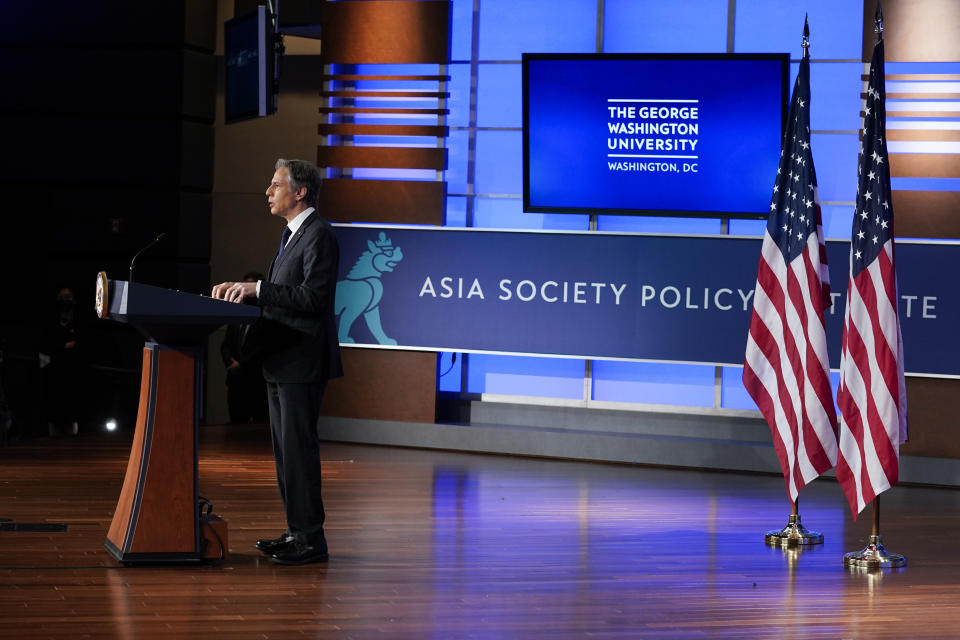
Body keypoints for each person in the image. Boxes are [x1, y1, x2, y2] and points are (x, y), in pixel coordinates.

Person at [212, 158, 343, 565]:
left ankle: (311, 539)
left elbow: (313, 299)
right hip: (280, 359)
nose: (268, 191)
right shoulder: (291, 235)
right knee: (286, 453)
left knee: (299, 451)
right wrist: (251, 292)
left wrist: (258, 289)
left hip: (302, 360)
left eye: (275, 184)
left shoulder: (318, 234)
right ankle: (295, 532)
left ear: (299, 192)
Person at [220, 271, 268, 423]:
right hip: (235, 382)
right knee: (235, 424)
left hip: (256, 383)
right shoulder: (236, 315)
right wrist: (230, 363)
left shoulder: (266, 317)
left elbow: (263, 347)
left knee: (258, 429)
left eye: (247, 288)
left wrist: (242, 365)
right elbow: (226, 344)